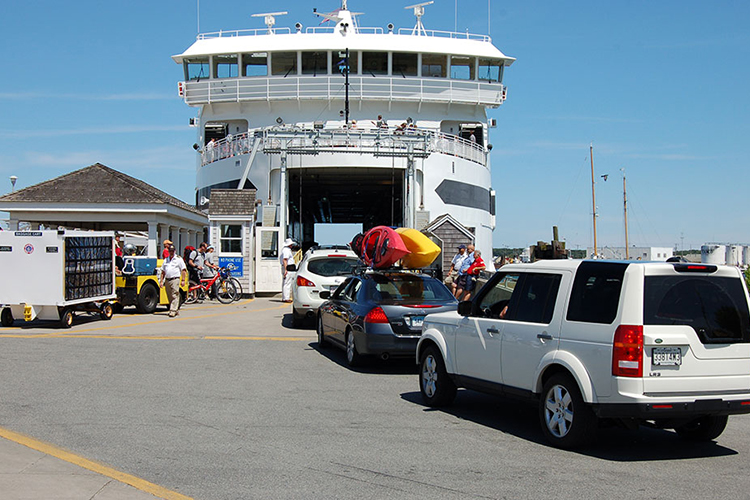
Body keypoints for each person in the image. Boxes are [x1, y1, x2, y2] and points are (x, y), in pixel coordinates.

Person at [159, 244, 187, 317]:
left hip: (175, 279)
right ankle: (175, 309)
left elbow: (183, 269)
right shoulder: (166, 259)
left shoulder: (178, 259)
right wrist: (161, 281)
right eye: (170, 251)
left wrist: (183, 280)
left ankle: (173, 310)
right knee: (169, 296)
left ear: (175, 251)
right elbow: (163, 271)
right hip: (167, 280)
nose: (171, 252)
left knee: (175, 295)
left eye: (172, 251)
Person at [279, 238, 297, 303]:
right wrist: (286, 269)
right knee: (287, 283)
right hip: (288, 267)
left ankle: (286, 297)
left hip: (290, 267)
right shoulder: (286, 250)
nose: (292, 245)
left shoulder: (286, 250)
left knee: (287, 283)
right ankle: (286, 298)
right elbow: (285, 260)